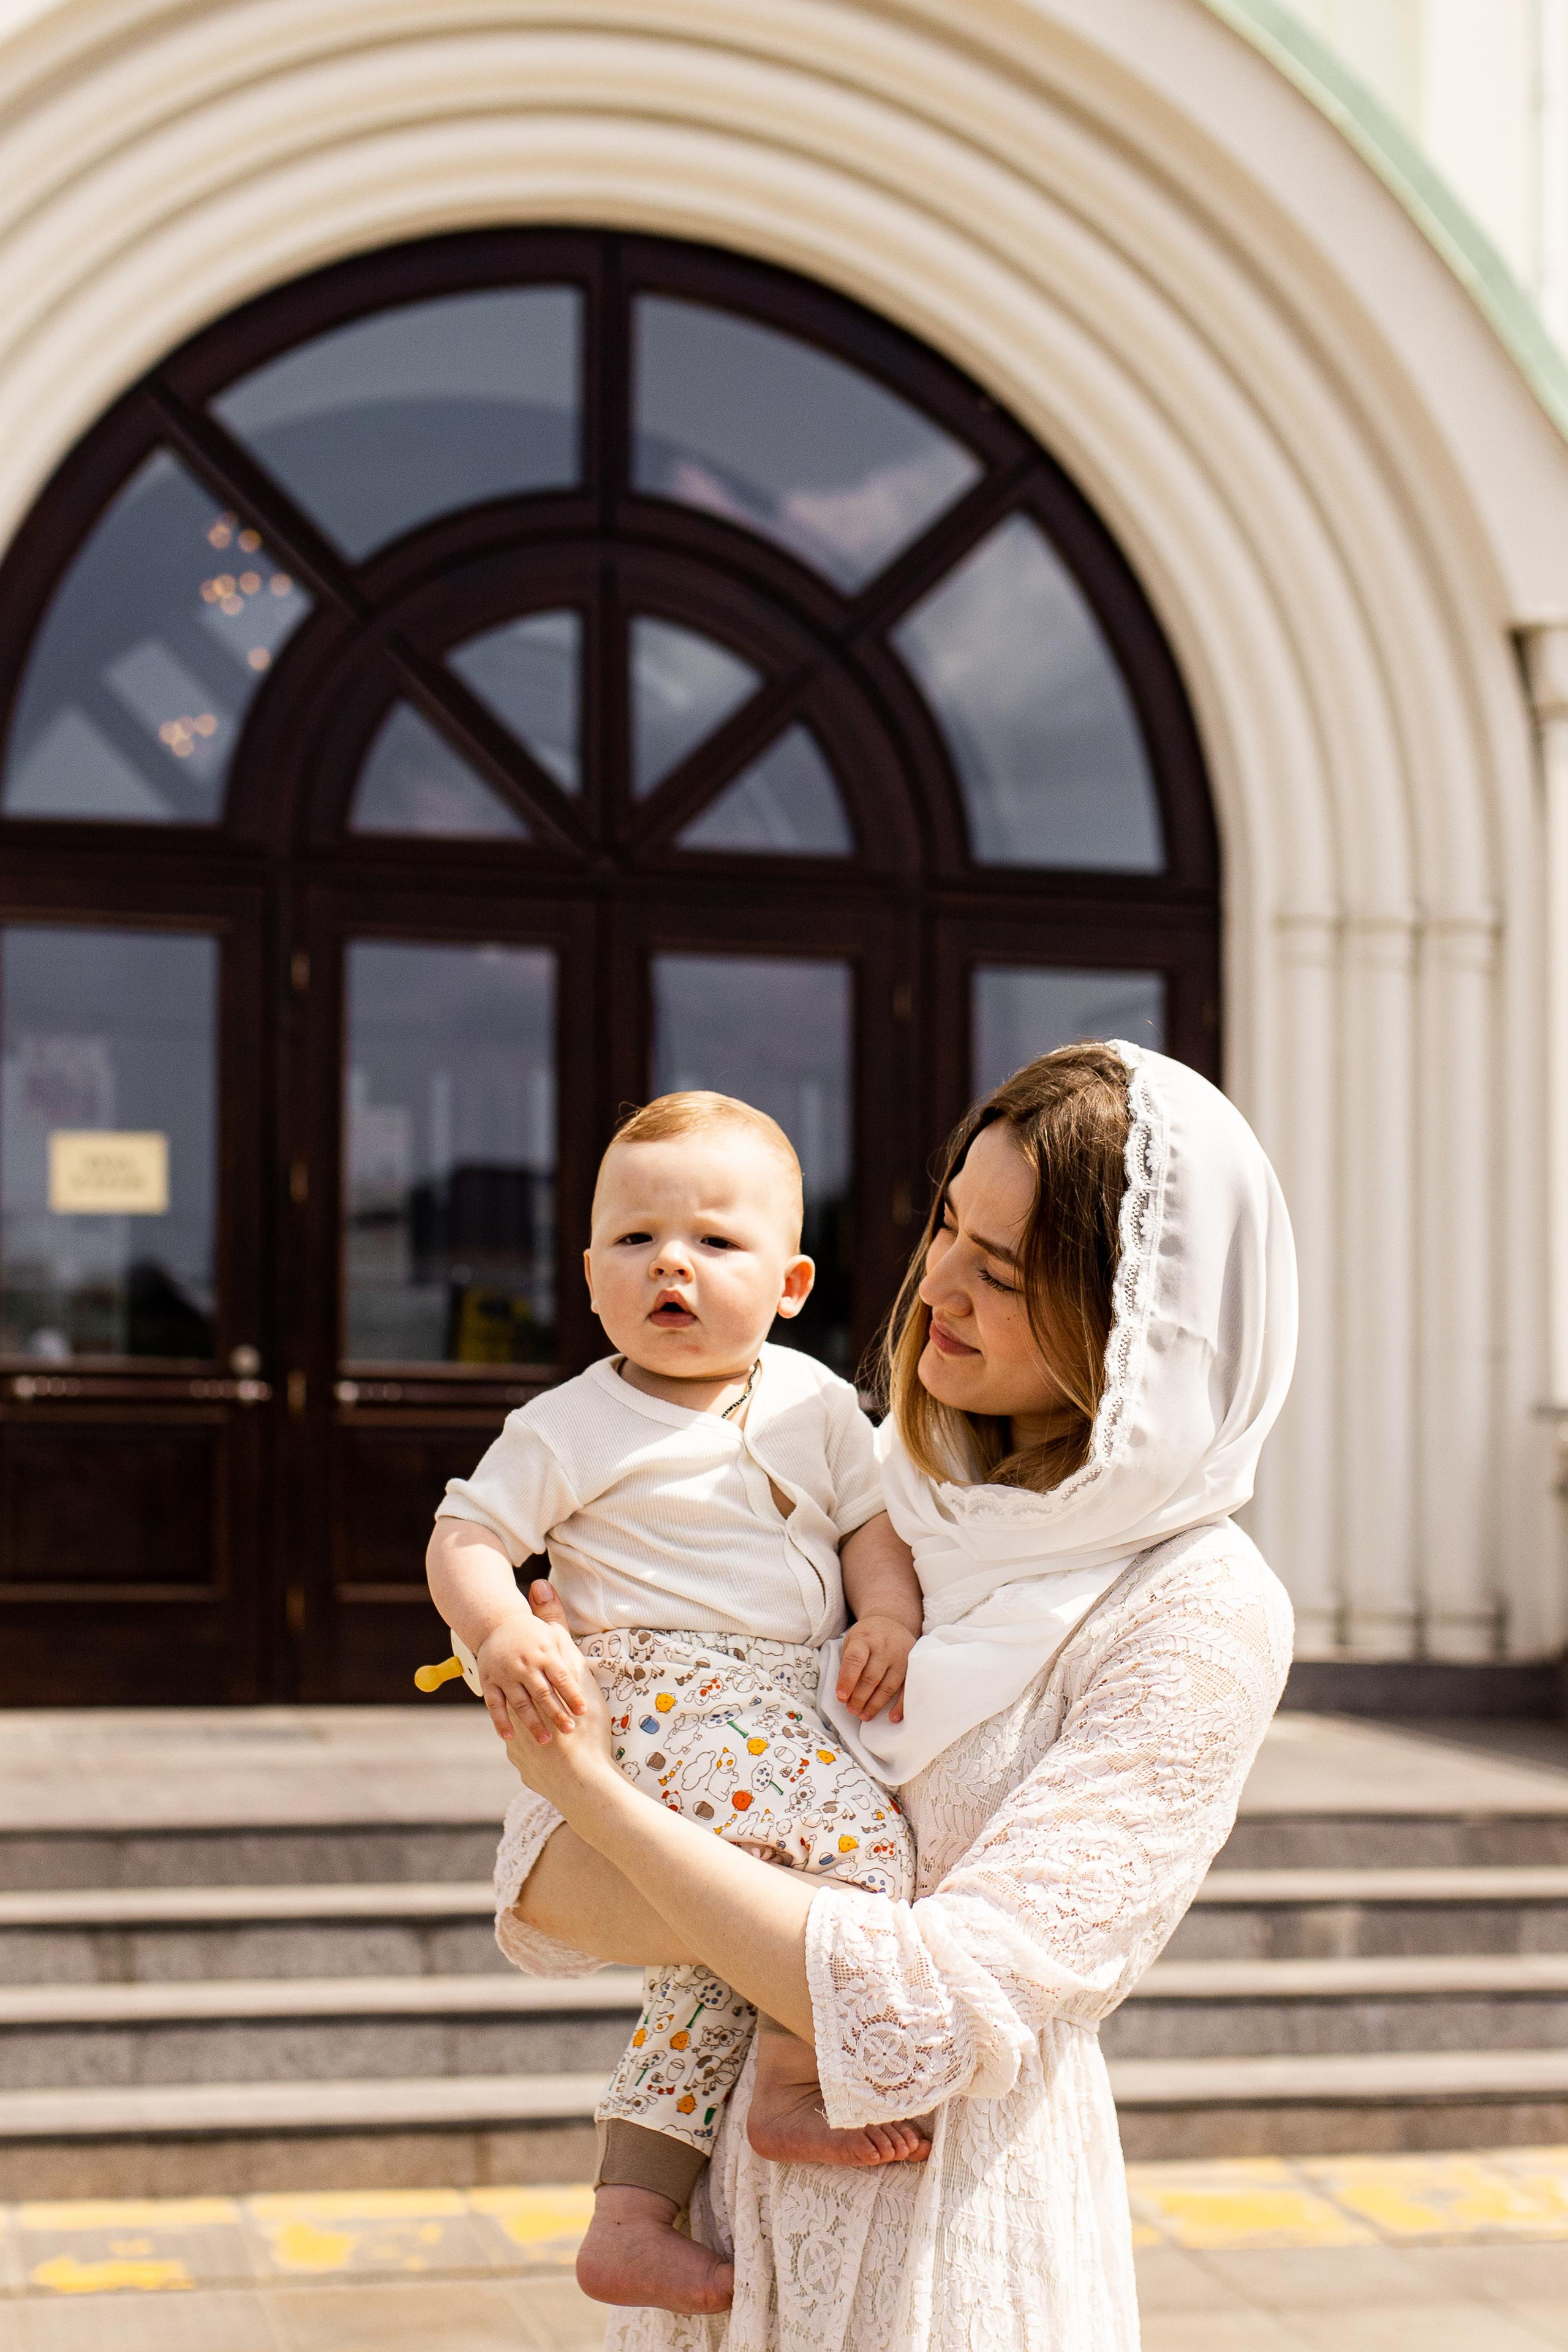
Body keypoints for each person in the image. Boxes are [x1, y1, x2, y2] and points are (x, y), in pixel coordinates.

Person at [496, 1039, 1298, 2351]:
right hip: (712, 2240)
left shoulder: (1193, 1609)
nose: (936, 1285)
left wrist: (591, 1785)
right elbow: (544, 1886)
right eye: (945, 1229)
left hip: (946, 2251)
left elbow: (933, 2009)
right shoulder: (859, 1504)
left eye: (1003, 1269)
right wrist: (596, 1760)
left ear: (1142, 1323)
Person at [425, 1090, 930, 2317]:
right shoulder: (564, 1422)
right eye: (638, 1239)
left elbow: (868, 1526)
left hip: (777, 1707)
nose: (672, 1265)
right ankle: (797, 2086)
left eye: (715, 1242)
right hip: (661, 1697)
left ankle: (626, 2211)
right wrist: (496, 1632)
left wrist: (886, 1619)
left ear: (792, 1281)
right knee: (861, 1860)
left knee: (716, 1958)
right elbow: (465, 1536)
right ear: (589, 1273)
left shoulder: (814, 1403)